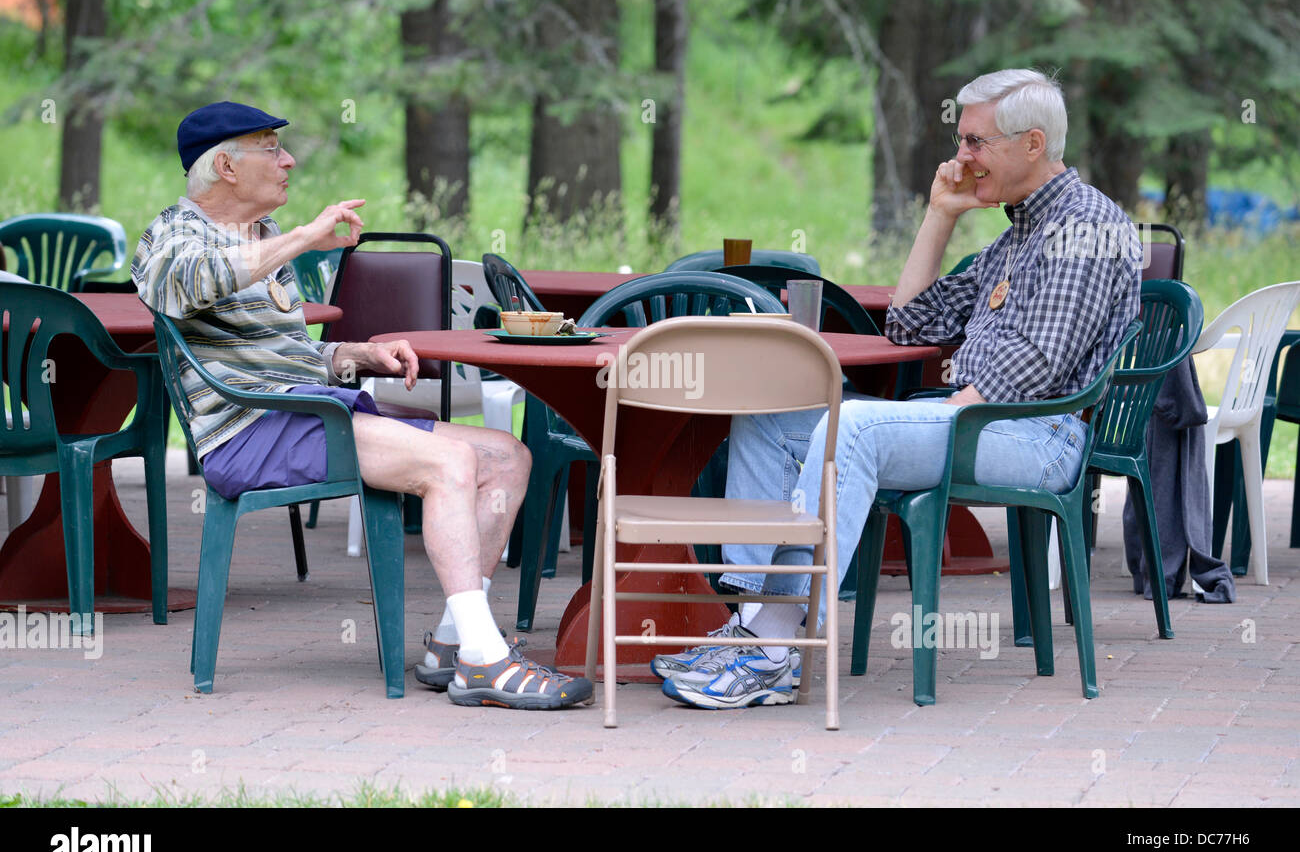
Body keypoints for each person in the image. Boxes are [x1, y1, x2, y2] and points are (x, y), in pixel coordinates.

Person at [655, 69, 1142, 710]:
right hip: (979, 423)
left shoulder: (1085, 227)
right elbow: (910, 320)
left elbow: (1040, 362)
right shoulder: (1018, 232)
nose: (960, 157)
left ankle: (772, 649)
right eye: (960, 140)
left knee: (851, 428)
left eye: (975, 142)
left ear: (1031, 144)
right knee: (769, 417)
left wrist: (949, 409)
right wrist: (939, 216)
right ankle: (754, 625)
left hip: (1036, 436)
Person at [135, 101, 592, 710]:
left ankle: (455, 646)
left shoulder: (263, 236)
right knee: (449, 464)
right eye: (271, 146)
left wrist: (356, 356)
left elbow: (291, 353)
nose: (288, 159)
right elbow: (185, 284)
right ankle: (488, 662)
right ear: (224, 165)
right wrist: (304, 239)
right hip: (249, 430)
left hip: (307, 410)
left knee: (505, 455)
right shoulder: (171, 234)